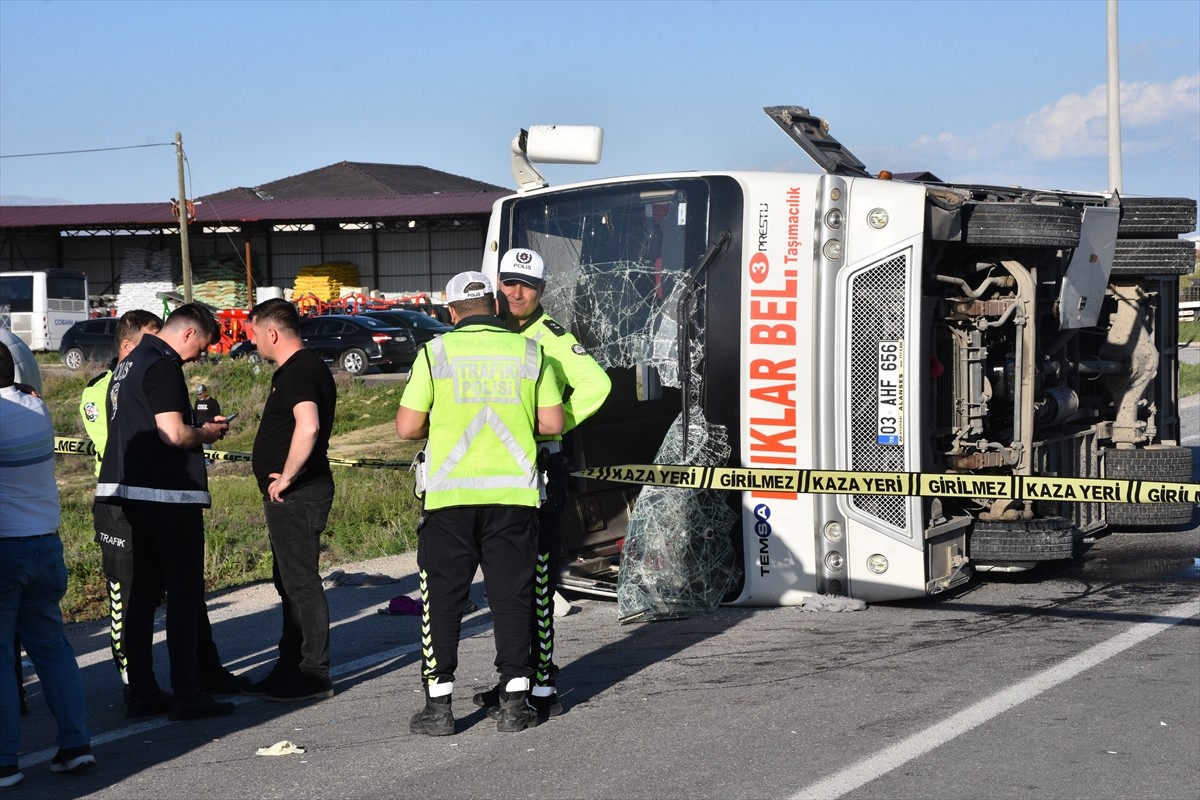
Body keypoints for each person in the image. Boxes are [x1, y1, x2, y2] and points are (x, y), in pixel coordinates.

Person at [396, 271, 564, 736]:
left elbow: (407, 427)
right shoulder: (531, 352)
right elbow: (552, 424)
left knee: (442, 601)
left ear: (451, 312)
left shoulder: (434, 353)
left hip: (449, 498)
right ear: (495, 305)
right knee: (512, 599)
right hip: (513, 497)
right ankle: (515, 703)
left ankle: (438, 708)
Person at [473, 247, 612, 719]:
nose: (516, 293)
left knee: (536, 582)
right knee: (510, 583)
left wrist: (550, 425)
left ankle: (541, 684)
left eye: (526, 286)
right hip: (504, 473)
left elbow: (597, 385)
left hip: (542, 470)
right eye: (509, 283)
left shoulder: (549, 336)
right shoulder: (493, 332)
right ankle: (515, 679)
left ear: (541, 291)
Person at [80, 310, 243, 709]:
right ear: (187, 333)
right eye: (201, 347)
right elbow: (173, 433)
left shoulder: (128, 364)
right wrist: (206, 432)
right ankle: (187, 693)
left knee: (142, 596)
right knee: (184, 595)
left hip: (131, 495)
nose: (199, 357)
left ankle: (142, 691)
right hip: (168, 496)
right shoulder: (163, 365)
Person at [1, 343, 96, 787]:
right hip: (46, 545)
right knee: (53, 650)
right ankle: (76, 745)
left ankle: (5, 761)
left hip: (5, 550)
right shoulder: (36, 409)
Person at [240, 298, 338, 702]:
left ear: (272, 332)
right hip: (293, 494)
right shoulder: (301, 368)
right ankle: (289, 665)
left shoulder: (299, 370)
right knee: (289, 581)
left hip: (299, 492)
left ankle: (313, 673)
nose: (253, 341)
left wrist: (288, 476)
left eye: (254, 333)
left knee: (300, 582)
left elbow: (308, 426)